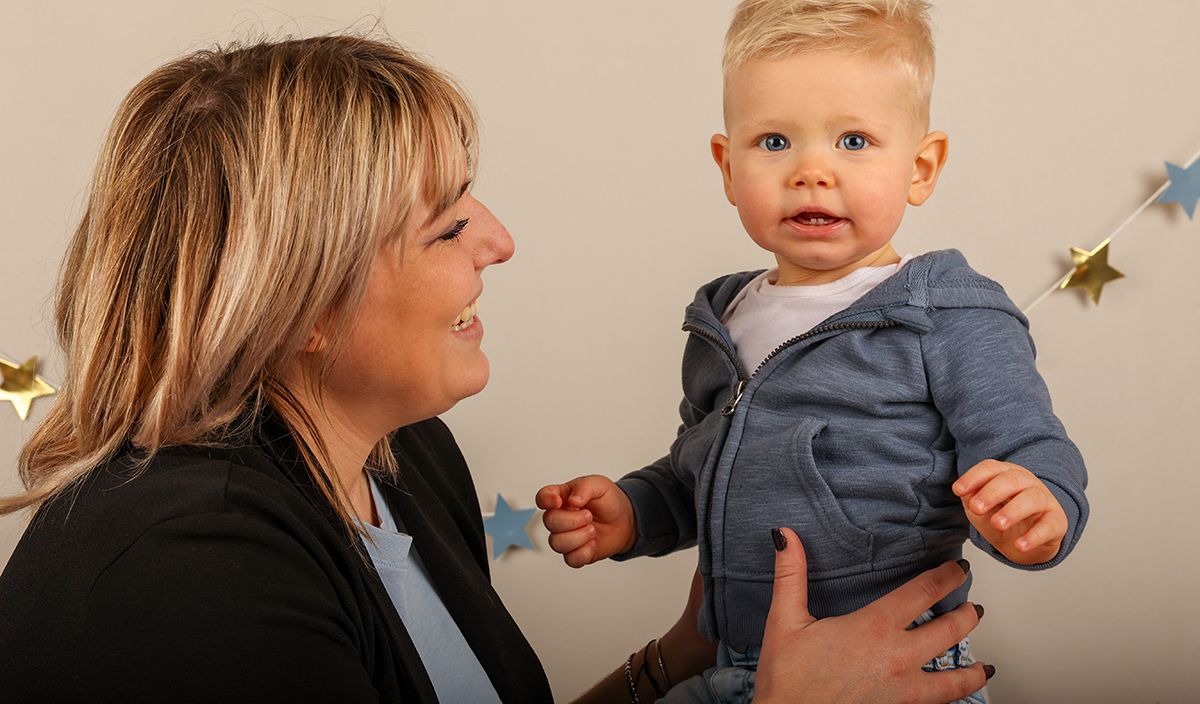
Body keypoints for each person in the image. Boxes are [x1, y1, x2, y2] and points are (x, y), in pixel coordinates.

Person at [0, 34, 989, 703]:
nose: (501, 241)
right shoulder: (187, 577)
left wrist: (673, 661)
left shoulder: (405, 458)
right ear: (300, 301)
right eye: (447, 224)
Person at [538, 0, 1088, 702]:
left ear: (921, 168)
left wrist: (1039, 510)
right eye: (773, 141)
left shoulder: (948, 313)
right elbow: (697, 470)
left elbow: (1029, 448)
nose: (812, 172)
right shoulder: (724, 318)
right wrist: (634, 512)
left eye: (854, 139)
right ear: (726, 166)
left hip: (893, 668)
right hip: (734, 663)